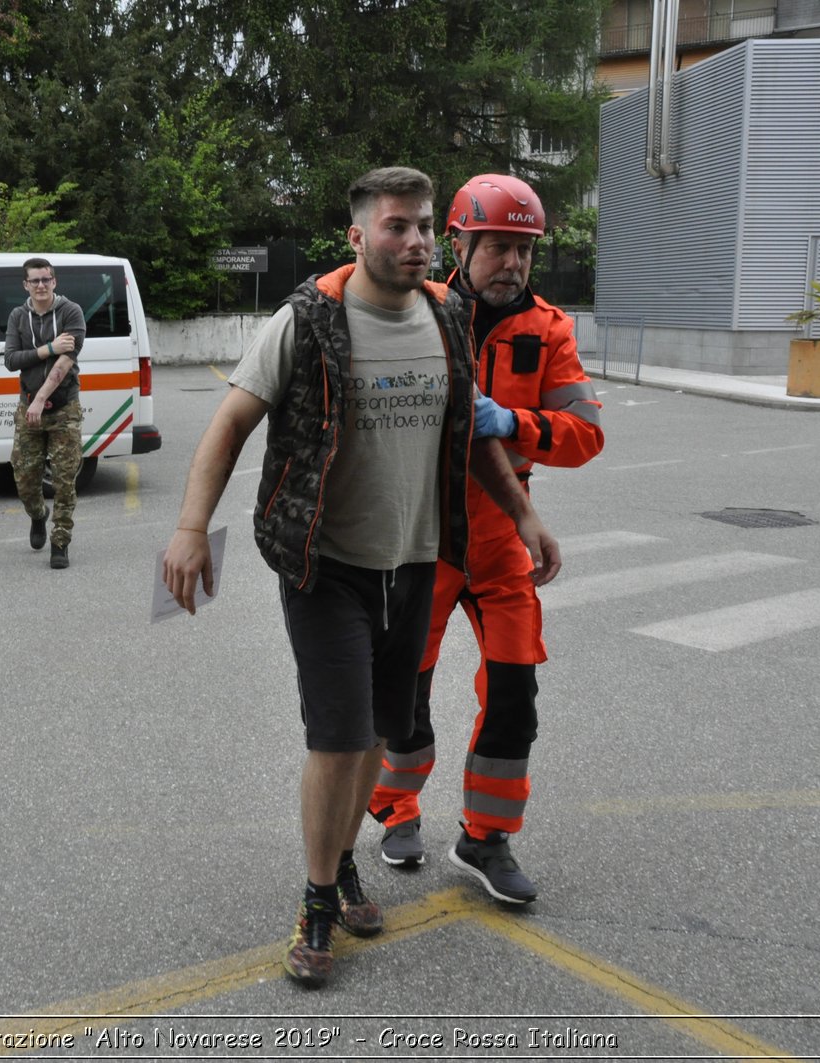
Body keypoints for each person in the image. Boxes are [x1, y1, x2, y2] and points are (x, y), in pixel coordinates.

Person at [161, 166, 562, 990]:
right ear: (357, 235)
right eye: (396, 227)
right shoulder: (307, 319)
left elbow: (470, 428)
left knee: (382, 732)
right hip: (325, 564)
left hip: (416, 560)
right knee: (339, 736)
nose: (414, 241)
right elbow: (230, 424)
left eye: (423, 226)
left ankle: (343, 862)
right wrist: (191, 529)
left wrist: (523, 516)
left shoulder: (448, 317)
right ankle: (316, 900)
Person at [368, 174, 604, 904]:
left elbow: (586, 434)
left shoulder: (550, 330)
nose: (513, 264)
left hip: (502, 540)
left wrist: (516, 423)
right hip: (424, 537)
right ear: (460, 244)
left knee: (513, 693)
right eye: (498, 247)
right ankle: (395, 809)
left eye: (524, 251)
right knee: (402, 694)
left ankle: (484, 836)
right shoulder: (420, 314)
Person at [4, 257, 86, 569]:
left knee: (65, 480)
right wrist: (48, 349)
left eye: (46, 279)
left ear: (54, 281)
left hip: (63, 408)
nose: (41, 285)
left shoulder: (70, 312)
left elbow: (66, 362)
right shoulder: (17, 316)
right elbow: (11, 360)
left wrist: (40, 399)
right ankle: (38, 515)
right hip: (28, 409)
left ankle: (60, 541)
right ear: (25, 284)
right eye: (35, 280)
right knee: (25, 479)